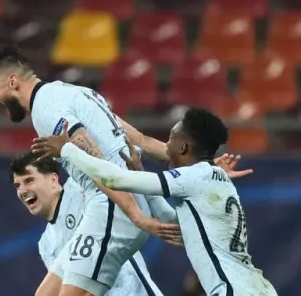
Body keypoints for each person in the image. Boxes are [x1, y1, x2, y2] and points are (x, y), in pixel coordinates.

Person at [0, 44, 250, 296]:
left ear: (13, 81)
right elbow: (141, 141)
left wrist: (135, 215)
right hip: (119, 204)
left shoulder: (45, 110)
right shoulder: (77, 92)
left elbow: (96, 161)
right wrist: (206, 167)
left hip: (113, 206)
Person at [31, 108, 278, 296]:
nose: (165, 144)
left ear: (183, 146)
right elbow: (176, 225)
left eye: (171, 137)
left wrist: (67, 150)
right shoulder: (215, 180)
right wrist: (140, 170)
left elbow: (115, 179)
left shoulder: (195, 177)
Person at [10, 151, 177, 295]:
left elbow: (110, 175)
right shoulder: (46, 244)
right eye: (17, 185)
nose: (22, 191)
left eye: (29, 180)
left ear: (53, 180)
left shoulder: (80, 186)